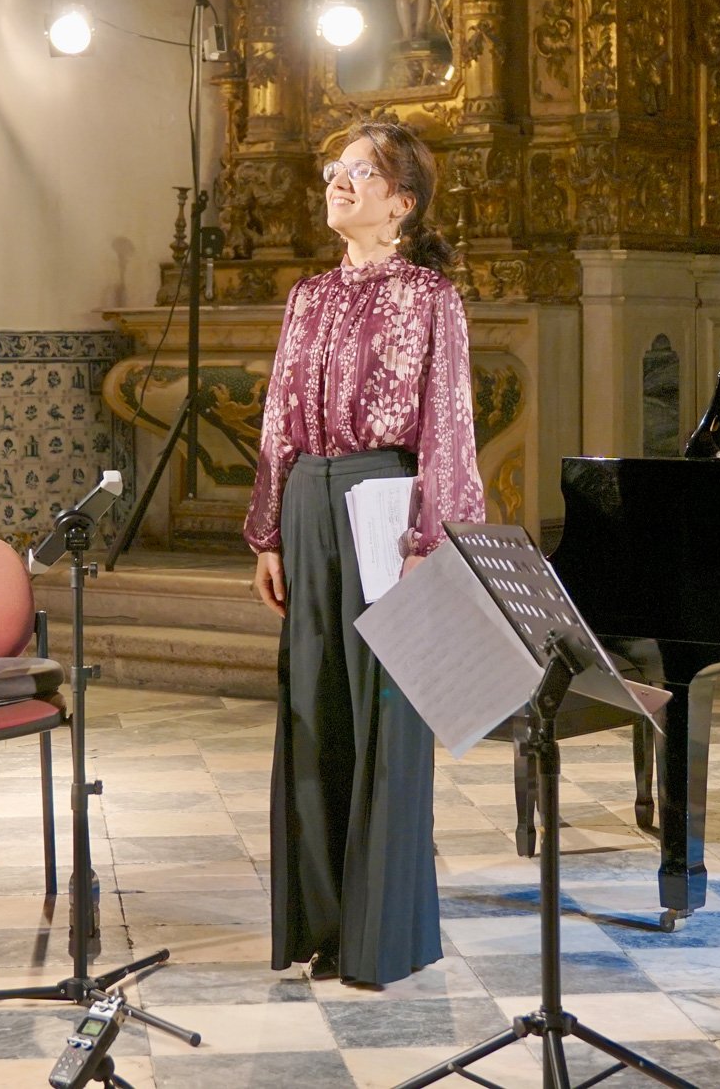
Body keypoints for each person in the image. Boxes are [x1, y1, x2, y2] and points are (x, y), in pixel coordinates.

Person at [245, 120, 486, 989]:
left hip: (387, 505)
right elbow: (277, 417)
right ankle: (320, 923)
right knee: (312, 707)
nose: (337, 182)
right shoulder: (307, 294)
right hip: (310, 500)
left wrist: (432, 540)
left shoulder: (431, 297)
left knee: (386, 713)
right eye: (333, 168)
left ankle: (385, 936)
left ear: (403, 202)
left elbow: (449, 423)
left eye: (360, 172)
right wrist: (269, 528)